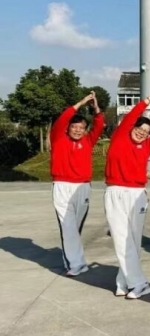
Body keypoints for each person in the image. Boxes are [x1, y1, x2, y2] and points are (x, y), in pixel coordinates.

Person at [104, 88, 150, 299]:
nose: (142, 133)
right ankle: (137, 283)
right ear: (132, 127)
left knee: (132, 240)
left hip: (137, 195)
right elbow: (132, 116)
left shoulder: (147, 145)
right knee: (120, 238)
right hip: (115, 192)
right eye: (139, 128)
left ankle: (126, 282)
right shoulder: (120, 137)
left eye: (146, 132)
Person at [50, 91, 105, 277]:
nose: (78, 130)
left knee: (75, 227)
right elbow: (62, 120)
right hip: (62, 186)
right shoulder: (58, 138)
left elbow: (99, 125)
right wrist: (81, 102)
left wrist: (96, 109)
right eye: (74, 127)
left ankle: (78, 261)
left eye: (81, 127)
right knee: (68, 226)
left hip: (83, 187)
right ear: (68, 128)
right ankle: (75, 264)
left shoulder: (88, 141)